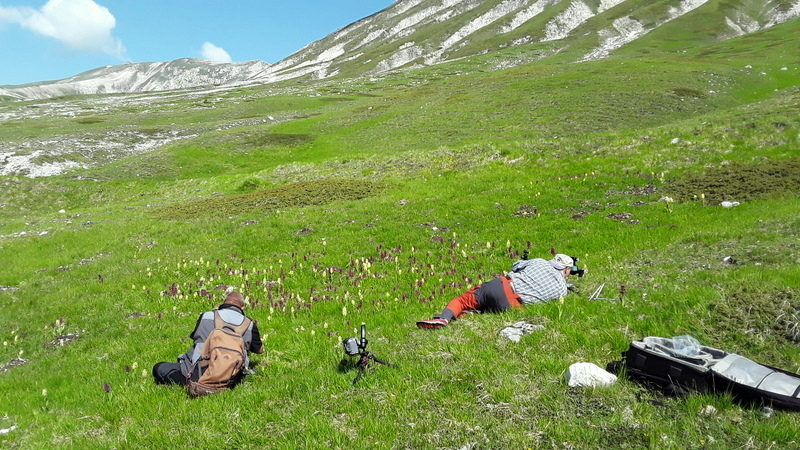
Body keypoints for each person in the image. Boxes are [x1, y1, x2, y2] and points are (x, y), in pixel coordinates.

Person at [416, 253, 576, 329]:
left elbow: (515, 265)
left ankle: (444, 318)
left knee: (464, 300)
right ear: (567, 270)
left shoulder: (540, 261)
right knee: (484, 310)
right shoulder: (562, 290)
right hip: (513, 306)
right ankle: (467, 315)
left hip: (502, 287)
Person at [153, 291, 264, 386]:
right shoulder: (249, 324)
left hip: (199, 373)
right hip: (232, 377)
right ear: (243, 307)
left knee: (159, 368)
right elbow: (259, 350)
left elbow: (195, 337)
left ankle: (193, 380)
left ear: (223, 303)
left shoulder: (207, 316)